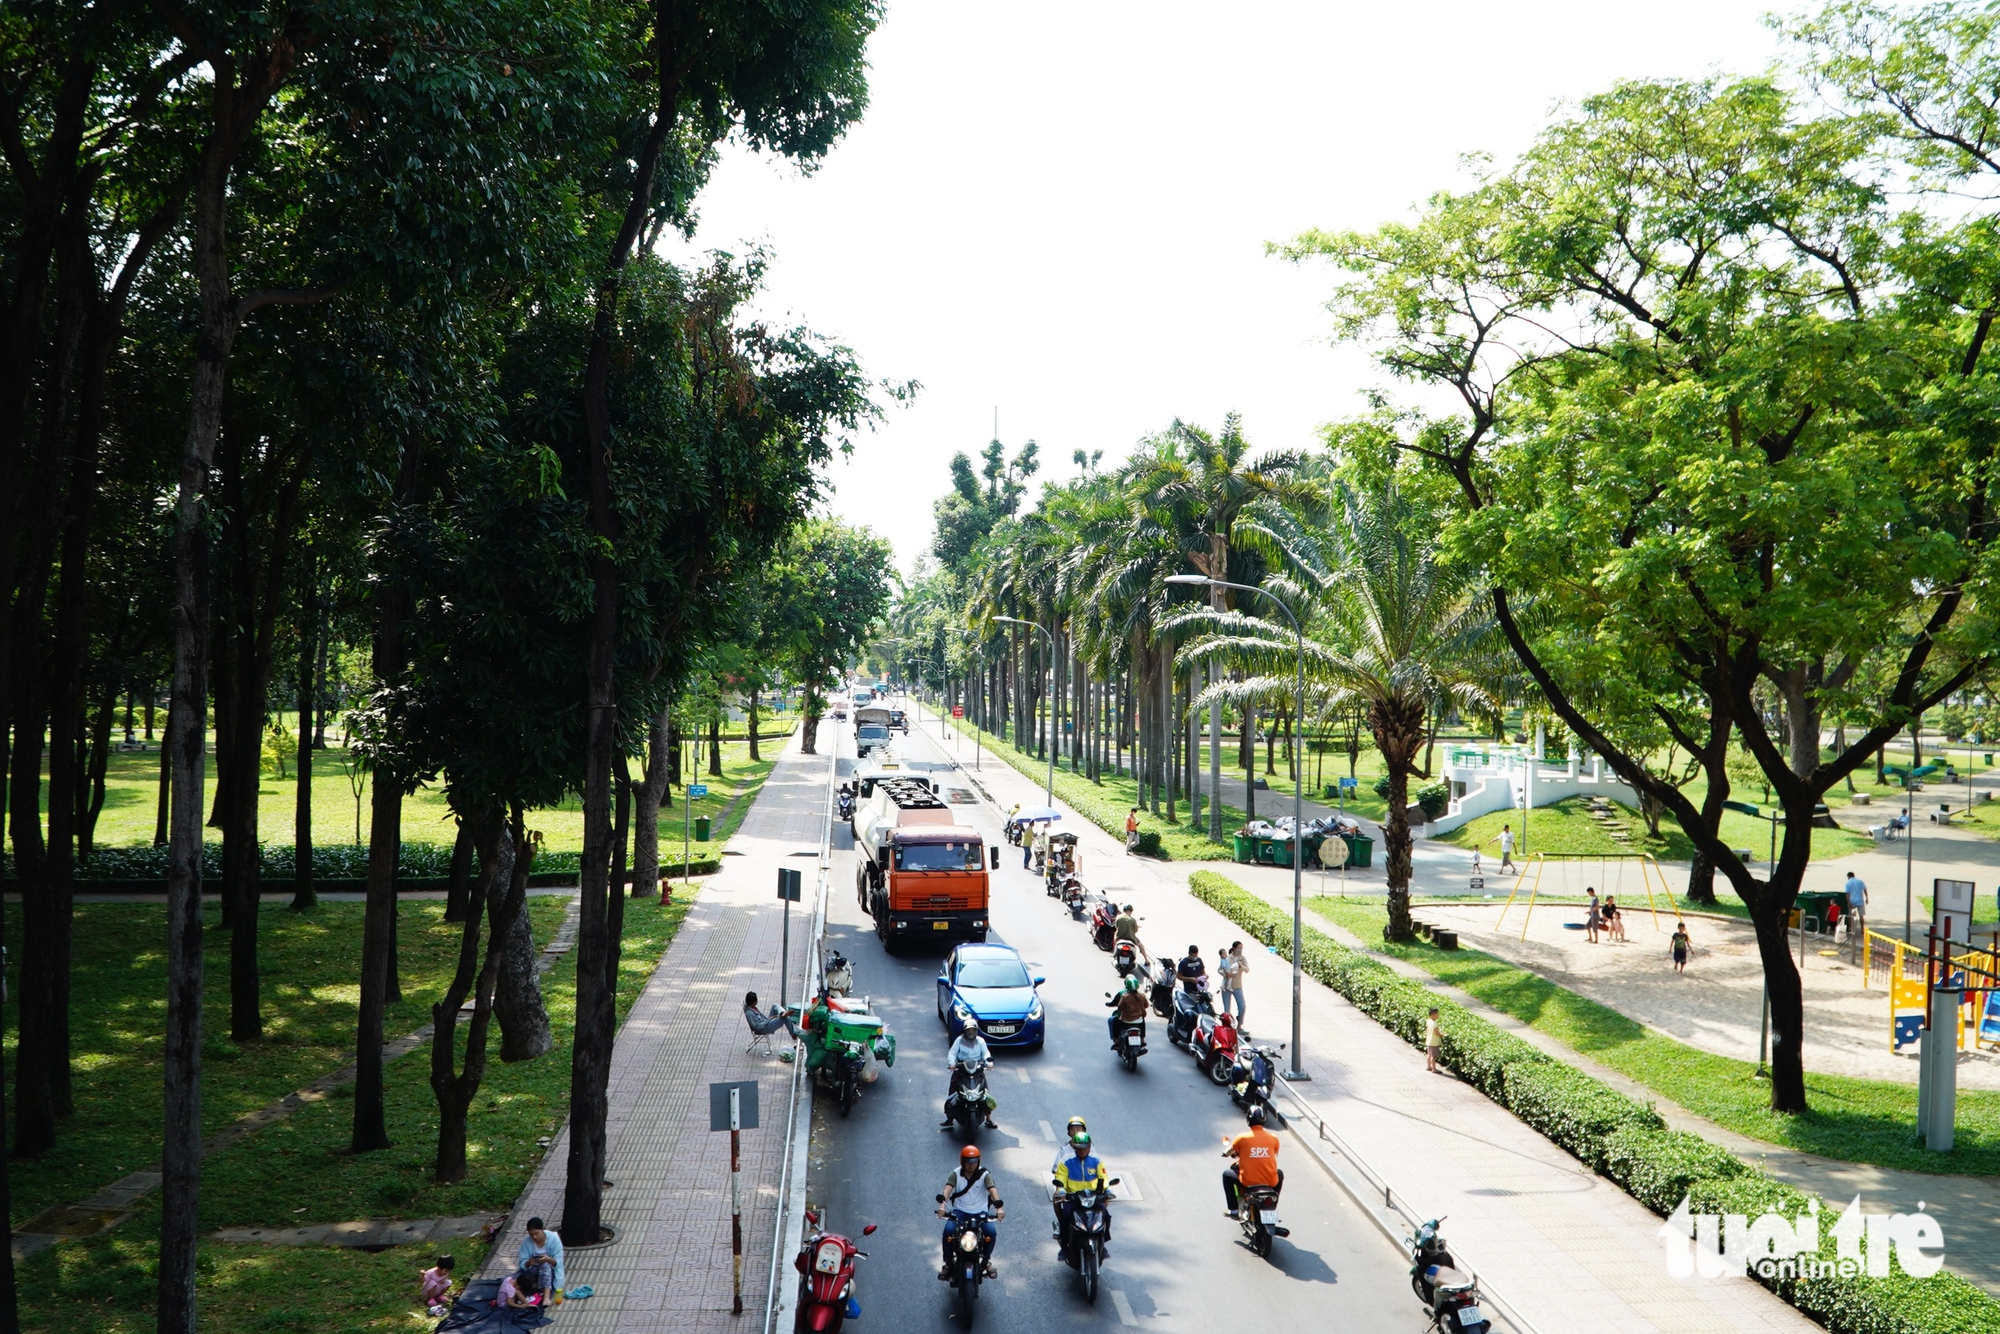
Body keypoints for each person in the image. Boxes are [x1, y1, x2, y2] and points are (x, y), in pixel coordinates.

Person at [937, 1145, 1004, 1278]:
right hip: (959, 1212)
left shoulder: (984, 1174)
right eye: (968, 1162)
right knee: (948, 1232)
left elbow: (993, 1190)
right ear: (963, 1161)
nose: (971, 1165)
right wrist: (942, 1206)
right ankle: (948, 1263)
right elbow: (947, 1189)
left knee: (991, 1232)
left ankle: (985, 1261)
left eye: (974, 1162)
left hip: (981, 1213)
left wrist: (999, 1208)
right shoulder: (956, 1173)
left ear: (978, 1161)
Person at [1051, 1130, 1111, 1257]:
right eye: (1079, 1148)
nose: (1082, 1151)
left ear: (1089, 1147)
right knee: (1066, 1217)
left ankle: (1103, 1244)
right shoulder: (1066, 1161)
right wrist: (1061, 1191)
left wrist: (1107, 1189)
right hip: (1073, 1198)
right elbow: (1060, 1179)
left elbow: (1103, 1177)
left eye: (1085, 1148)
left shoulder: (1096, 1161)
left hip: (1092, 1198)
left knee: (1105, 1215)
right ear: (1074, 1147)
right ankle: (1065, 1247)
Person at [1222, 1105, 1283, 1218]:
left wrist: (1225, 1154)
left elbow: (1230, 1150)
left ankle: (1234, 1210)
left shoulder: (1242, 1138)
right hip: (1270, 1181)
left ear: (1248, 1120)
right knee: (1279, 1173)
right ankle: (1272, 1205)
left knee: (1226, 1175)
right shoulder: (1274, 1138)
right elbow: (1274, 1153)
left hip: (1248, 1181)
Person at [944, 1028, 997, 1128]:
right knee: (953, 1093)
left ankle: (988, 1119)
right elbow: (952, 1053)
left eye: (973, 1030)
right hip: (961, 1070)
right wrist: (952, 1063)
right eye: (969, 1030)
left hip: (977, 1070)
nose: (971, 1033)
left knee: (985, 1094)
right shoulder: (959, 1040)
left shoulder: (980, 1041)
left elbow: (986, 1054)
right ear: (964, 1031)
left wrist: (989, 1063)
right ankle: (950, 1118)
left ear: (976, 1031)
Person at [518, 1217, 565, 1298]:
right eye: (531, 1235)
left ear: (543, 1229)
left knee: (545, 1265)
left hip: (550, 1271)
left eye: (537, 1233)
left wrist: (548, 1259)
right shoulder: (526, 1242)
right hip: (534, 1271)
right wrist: (528, 1263)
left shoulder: (554, 1239)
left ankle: (546, 1296)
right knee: (513, 1280)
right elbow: (522, 1263)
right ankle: (536, 1285)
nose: (534, 1237)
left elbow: (559, 1262)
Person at [1106, 977, 1149, 1046]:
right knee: (1143, 1020)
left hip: (1126, 1021)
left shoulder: (1124, 997)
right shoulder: (1142, 996)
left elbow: (1120, 1008)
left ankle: (1116, 1041)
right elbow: (1146, 1005)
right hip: (1139, 1022)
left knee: (1114, 1021)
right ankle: (1142, 1039)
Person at [1217, 941, 1249, 1024]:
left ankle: (1239, 1024)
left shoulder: (1242, 958)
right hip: (1226, 986)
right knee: (1227, 1010)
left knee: (1242, 1007)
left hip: (1237, 986)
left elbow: (1247, 970)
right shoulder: (1227, 958)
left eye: (1241, 948)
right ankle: (1226, 1026)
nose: (1240, 950)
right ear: (1234, 949)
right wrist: (1226, 974)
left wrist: (1241, 966)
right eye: (1239, 948)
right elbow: (1220, 969)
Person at [1844, 871, 1868, 961]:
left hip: (1853, 901)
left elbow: (1847, 894)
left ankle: (1851, 928)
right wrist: (1867, 898)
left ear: (1848, 877)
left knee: (1851, 916)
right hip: (1860, 901)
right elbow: (1865, 890)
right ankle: (1862, 928)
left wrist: (1849, 902)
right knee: (1861, 916)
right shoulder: (1860, 882)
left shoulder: (1847, 883)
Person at [1424, 1006, 1442, 1073]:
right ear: (1433, 1014)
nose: (1438, 1015)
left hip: (1428, 1041)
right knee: (1433, 1056)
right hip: (1434, 1042)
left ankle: (1429, 1066)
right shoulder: (1435, 1023)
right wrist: (1442, 1034)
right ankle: (1434, 1069)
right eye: (1437, 1014)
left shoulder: (1428, 1021)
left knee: (1429, 1054)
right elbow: (1437, 1033)